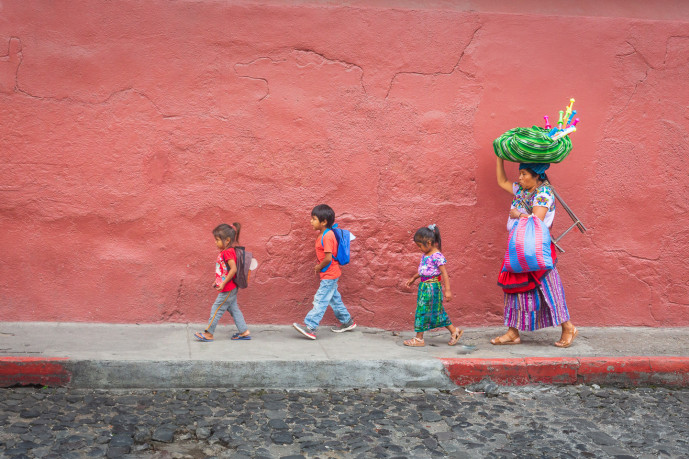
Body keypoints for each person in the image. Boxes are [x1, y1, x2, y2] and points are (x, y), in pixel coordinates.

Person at [493, 158, 577, 347]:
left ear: (536, 175)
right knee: (514, 287)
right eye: (520, 174)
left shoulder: (544, 193)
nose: (520, 178)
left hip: (536, 249)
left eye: (524, 174)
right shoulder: (522, 190)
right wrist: (499, 157)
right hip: (517, 247)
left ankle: (568, 327)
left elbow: (537, 220)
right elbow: (501, 181)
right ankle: (512, 332)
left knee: (548, 288)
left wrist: (518, 215)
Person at [293, 204, 356, 340]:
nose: (311, 221)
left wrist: (318, 267)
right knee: (334, 300)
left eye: (314, 219)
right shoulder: (324, 234)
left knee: (320, 300)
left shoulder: (327, 236)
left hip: (330, 274)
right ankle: (347, 321)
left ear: (324, 221)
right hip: (330, 274)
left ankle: (310, 326)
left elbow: (328, 258)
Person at [403, 225, 463, 347]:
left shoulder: (436, 255)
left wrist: (448, 290)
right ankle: (454, 331)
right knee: (437, 311)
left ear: (429, 242)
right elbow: (424, 270)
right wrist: (414, 278)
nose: (419, 248)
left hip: (432, 288)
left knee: (422, 311)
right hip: (424, 287)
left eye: (420, 245)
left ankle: (419, 339)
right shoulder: (426, 254)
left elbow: (444, 273)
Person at [194, 223, 251, 342]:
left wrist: (224, 283)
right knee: (234, 309)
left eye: (217, 240)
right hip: (230, 287)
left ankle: (209, 333)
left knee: (216, 308)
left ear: (227, 240)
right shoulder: (226, 251)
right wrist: (218, 281)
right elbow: (224, 270)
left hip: (228, 288)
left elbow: (233, 269)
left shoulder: (228, 252)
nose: (215, 242)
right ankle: (244, 332)